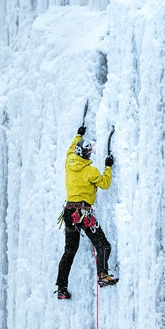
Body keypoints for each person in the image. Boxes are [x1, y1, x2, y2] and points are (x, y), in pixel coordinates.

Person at [55, 125, 117, 300]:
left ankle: (61, 288)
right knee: (103, 244)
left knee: (69, 251)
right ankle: (103, 275)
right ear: (88, 154)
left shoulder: (69, 161)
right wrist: (108, 167)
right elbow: (104, 184)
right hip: (83, 213)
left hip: (69, 213)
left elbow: (70, 148)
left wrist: (78, 134)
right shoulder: (90, 171)